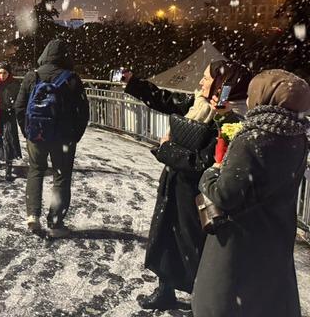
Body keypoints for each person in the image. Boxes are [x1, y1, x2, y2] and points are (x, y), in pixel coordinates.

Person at [122, 60, 251, 310]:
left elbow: (203, 163)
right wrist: (134, 84)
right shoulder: (199, 104)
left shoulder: (232, 121)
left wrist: (166, 149)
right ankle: (165, 290)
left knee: (195, 248)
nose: (201, 82)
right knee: (165, 237)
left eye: (206, 78)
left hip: (200, 196)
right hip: (175, 184)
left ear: (222, 86)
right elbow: (167, 101)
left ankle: (200, 304)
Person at [193, 69, 310, 317]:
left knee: (223, 305)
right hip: (273, 237)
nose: (248, 99)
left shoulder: (254, 138)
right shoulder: (297, 136)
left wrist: (210, 173)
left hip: (239, 243)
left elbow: (225, 195)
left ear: (265, 96)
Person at [14, 39, 89, 237]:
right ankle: (55, 221)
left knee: (36, 171)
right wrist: (75, 135)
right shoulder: (71, 78)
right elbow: (83, 112)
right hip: (63, 137)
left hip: (36, 134)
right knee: (61, 176)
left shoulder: (33, 76)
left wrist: (27, 130)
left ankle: (33, 215)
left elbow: (19, 107)